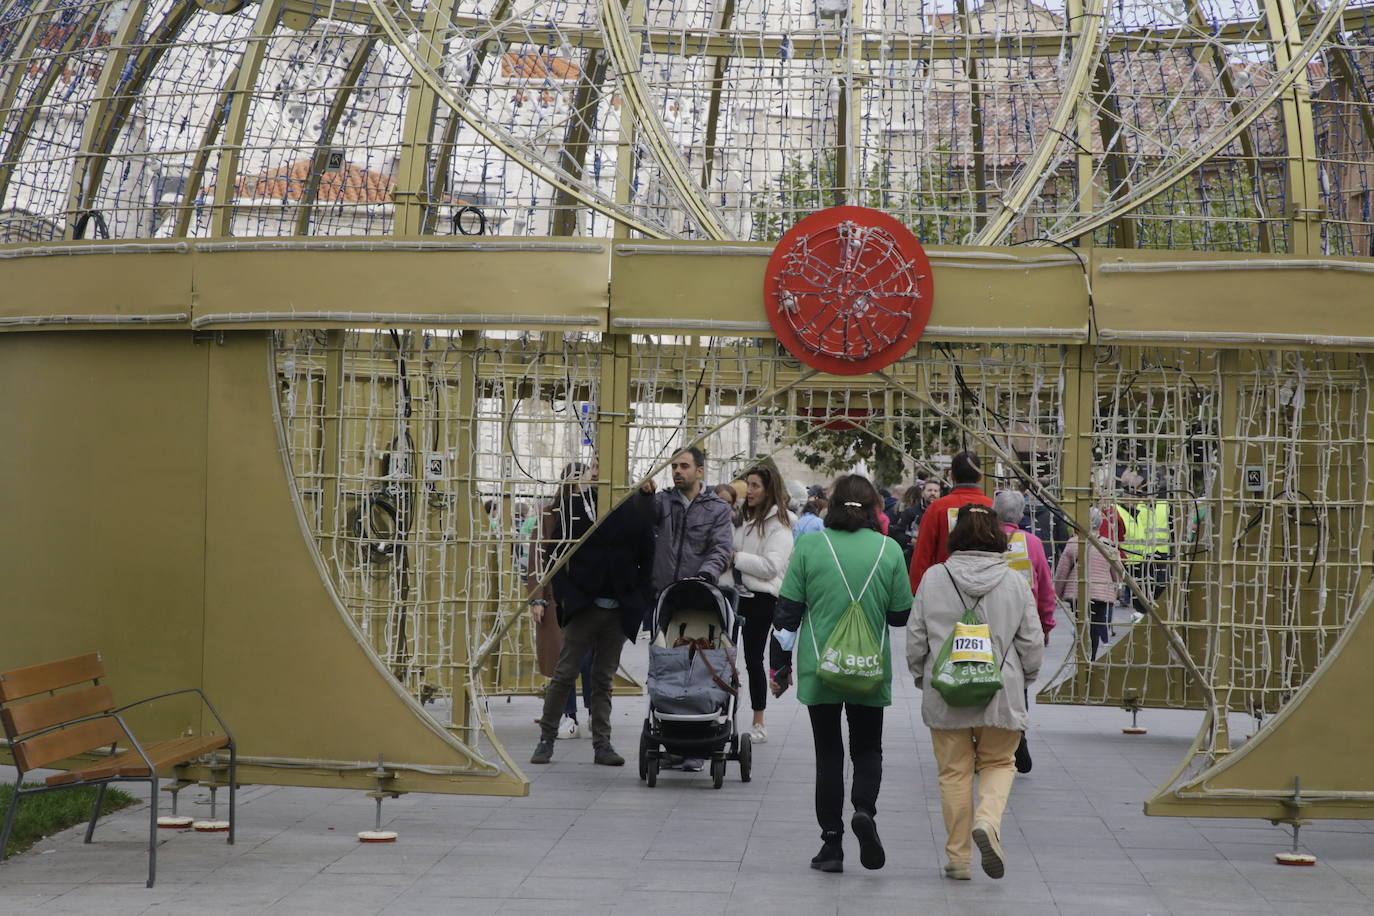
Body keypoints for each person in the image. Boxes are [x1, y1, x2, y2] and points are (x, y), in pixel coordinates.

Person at [775, 475, 913, 874]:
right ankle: (864, 810)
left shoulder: (811, 546)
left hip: (820, 669)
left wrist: (779, 668)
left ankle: (831, 844)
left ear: (831, 506)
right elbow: (900, 615)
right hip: (869, 668)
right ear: (874, 509)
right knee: (868, 749)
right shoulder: (888, 550)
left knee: (828, 754)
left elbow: (786, 613)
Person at [906, 504, 1043, 881]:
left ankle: (959, 859)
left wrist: (923, 676)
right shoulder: (1014, 581)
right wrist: (1024, 676)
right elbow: (1031, 640)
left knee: (954, 772)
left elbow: (916, 636)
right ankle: (987, 821)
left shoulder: (935, 578)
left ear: (958, 534)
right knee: (1000, 763)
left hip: (947, 690)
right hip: (1001, 690)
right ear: (997, 534)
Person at [529, 459, 655, 767]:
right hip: (583, 604)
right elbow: (555, 553)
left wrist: (637, 599)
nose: (599, 471)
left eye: (605, 463)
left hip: (617, 607)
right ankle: (547, 738)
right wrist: (566, 595)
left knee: (603, 678)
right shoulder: (574, 505)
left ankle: (603, 743)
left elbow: (647, 557)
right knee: (565, 673)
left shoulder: (634, 507)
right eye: (595, 464)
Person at [644, 446, 735, 770]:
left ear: (700, 471)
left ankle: (699, 737)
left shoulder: (717, 509)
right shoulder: (662, 503)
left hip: (701, 597)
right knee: (667, 663)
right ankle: (670, 738)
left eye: (684, 466)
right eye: (674, 466)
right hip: (666, 599)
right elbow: (640, 524)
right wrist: (642, 495)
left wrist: (707, 575)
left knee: (701, 665)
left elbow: (721, 547)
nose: (677, 471)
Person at [991, 489, 1056, 775]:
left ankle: (987, 740)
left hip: (988, 621)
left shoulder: (985, 542)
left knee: (984, 676)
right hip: (1020, 621)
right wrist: (1045, 624)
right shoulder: (1032, 543)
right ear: (1020, 516)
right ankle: (1018, 736)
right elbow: (1045, 587)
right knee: (1018, 682)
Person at [732, 464, 794, 745]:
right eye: (748, 484)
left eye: (755, 485)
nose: (749, 491)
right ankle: (721, 713)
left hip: (761, 600)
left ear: (769, 489)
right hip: (733, 596)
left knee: (753, 659)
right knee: (723, 658)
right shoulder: (743, 519)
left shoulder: (780, 526)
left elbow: (771, 567)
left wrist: (736, 558)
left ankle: (759, 721)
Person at [909, 452, 993, 592]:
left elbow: (922, 555)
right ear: (980, 476)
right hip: (986, 588)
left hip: (944, 589)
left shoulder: (936, 508)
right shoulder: (992, 507)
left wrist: (917, 592)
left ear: (952, 475)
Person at [1054, 507, 1121, 660]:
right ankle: (1092, 657)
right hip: (1101, 592)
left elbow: (1062, 571)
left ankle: (1081, 654)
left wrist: (1056, 593)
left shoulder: (1073, 544)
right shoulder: (1108, 545)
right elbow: (1117, 571)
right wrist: (1117, 590)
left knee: (1080, 622)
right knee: (1096, 625)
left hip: (1078, 592)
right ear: (1100, 523)